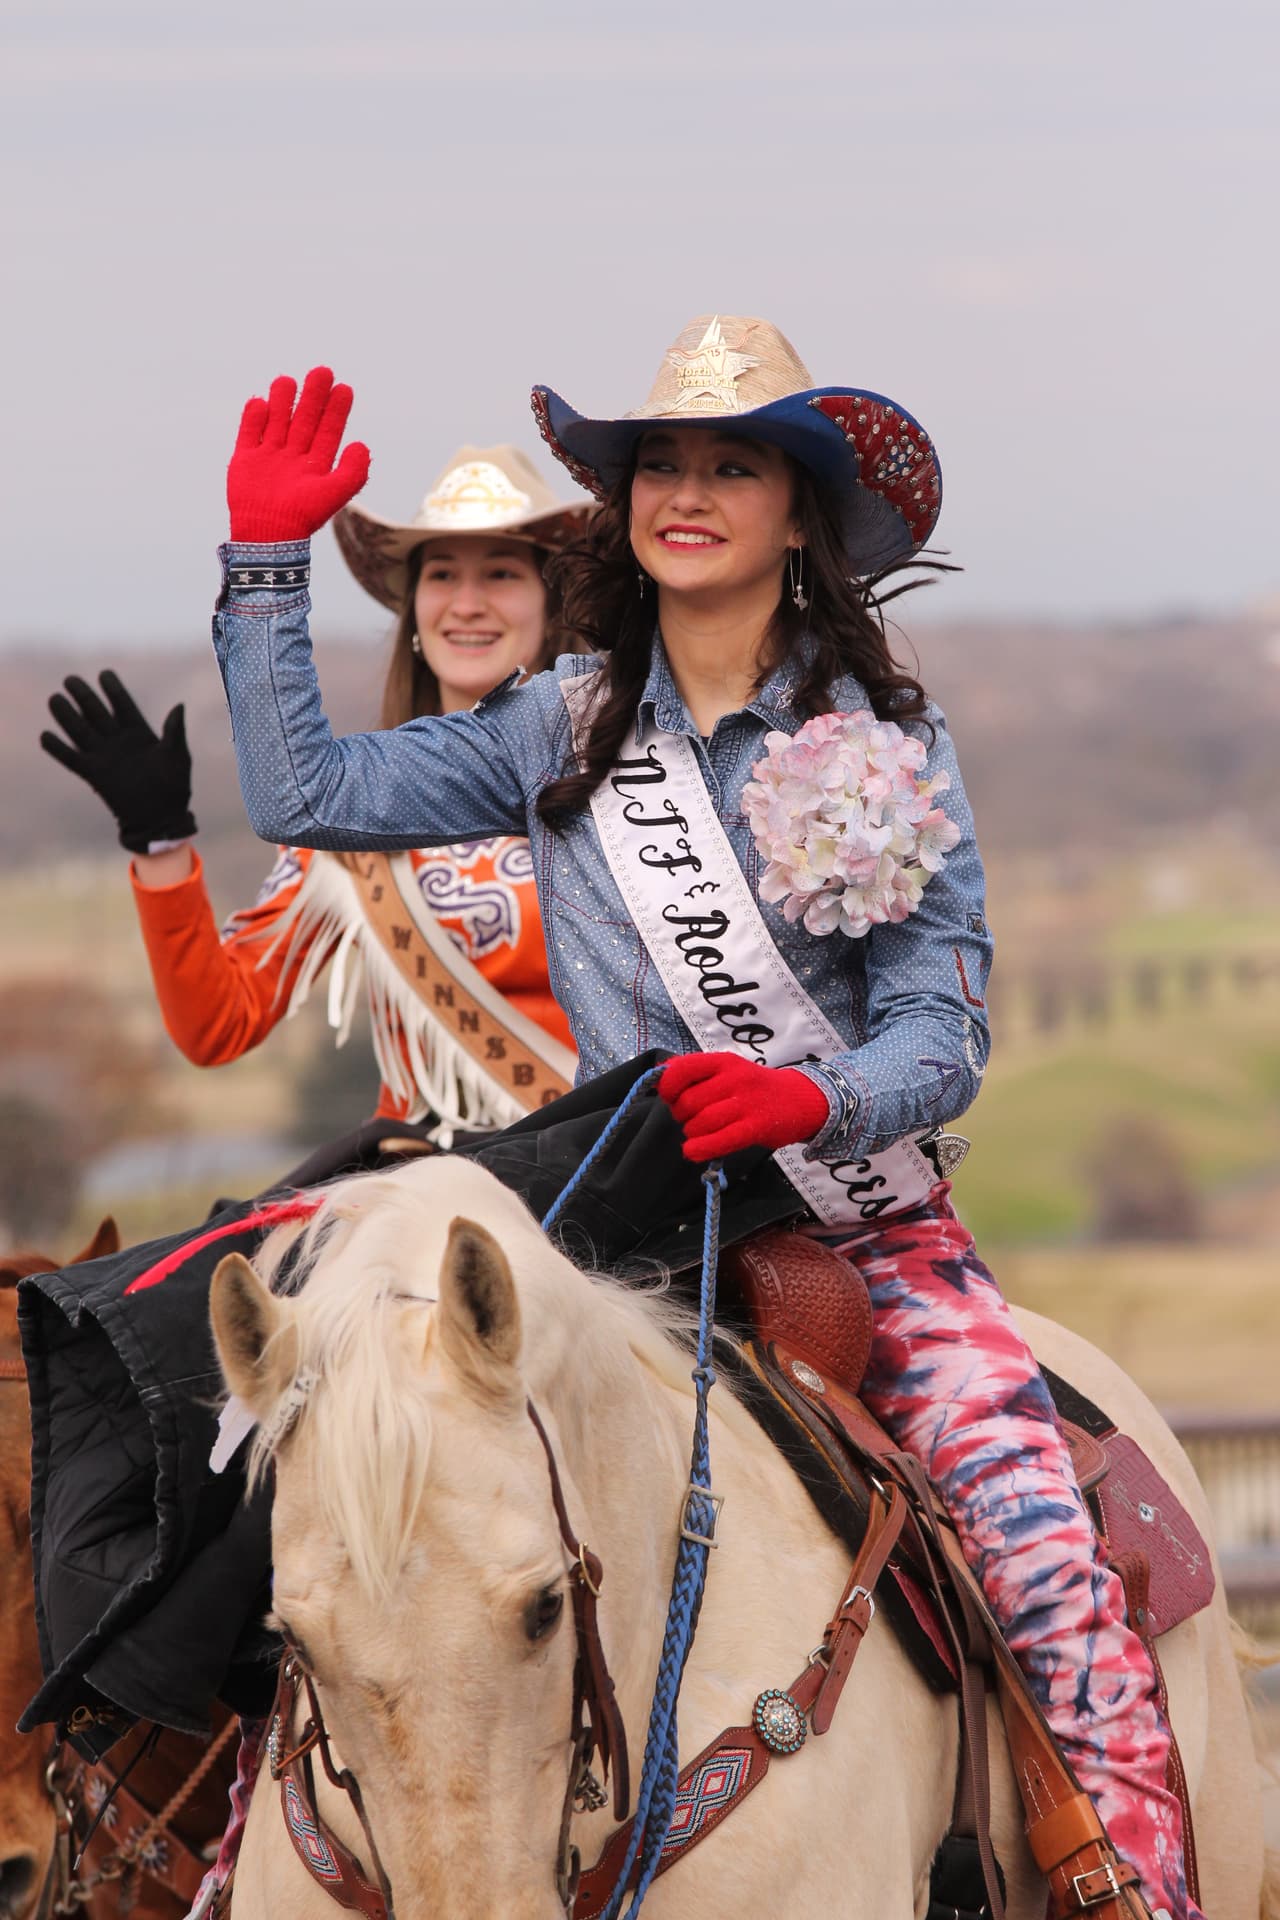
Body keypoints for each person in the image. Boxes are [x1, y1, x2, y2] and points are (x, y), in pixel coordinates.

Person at [205, 332, 1193, 1920]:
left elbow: (944, 1030)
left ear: (797, 515)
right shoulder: (562, 724)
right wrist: (264, 565)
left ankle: (1127, 1881)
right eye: (661, 463)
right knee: (327, 1509)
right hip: (614, 1233)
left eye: (732, 466)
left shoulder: (885, 748)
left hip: (859, 1232)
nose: (688, 492)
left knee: (1043, 1562)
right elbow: (302, 786)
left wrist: (822, 1092)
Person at [40, 444, 583, 1158]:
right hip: (422, 1182)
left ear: (553, 602)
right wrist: (158, 840)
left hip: (600, 1170)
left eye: (502, 574)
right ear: (413, 613)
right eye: (442, 574)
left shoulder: (621, 779)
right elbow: (217, 1027)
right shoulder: (348, 811)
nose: (467, 603)